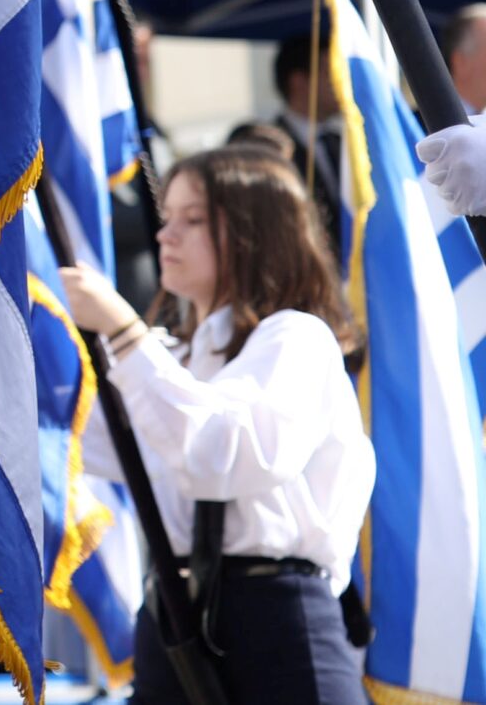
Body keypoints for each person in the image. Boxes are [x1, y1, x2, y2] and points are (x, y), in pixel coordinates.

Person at [57, 145, 374, 705]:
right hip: (176, 615)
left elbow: (224, 455)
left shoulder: (296, 340)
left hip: (277, 620)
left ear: (255, 233)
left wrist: (123, 331)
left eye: (194, 220)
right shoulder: (175, 360)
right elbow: (72, 438)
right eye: (167, 218)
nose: (165, 236)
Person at [231, 34, 344, 258]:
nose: (340, 82)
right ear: (299, 81)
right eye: (329, 72)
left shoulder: (340, 142)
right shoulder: (261, 147)